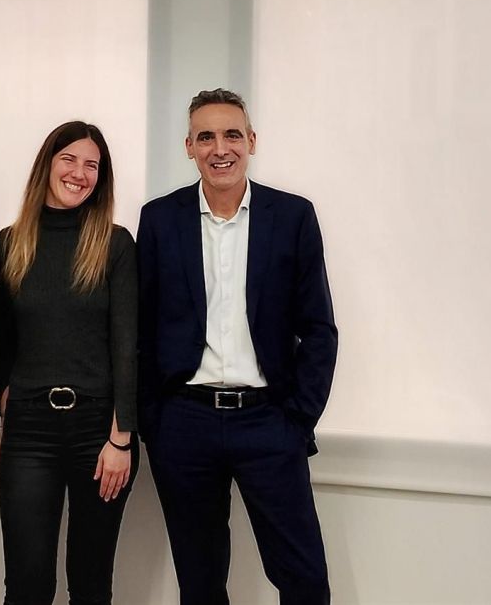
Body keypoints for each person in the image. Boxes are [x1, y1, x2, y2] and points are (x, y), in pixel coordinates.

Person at [137, 88, 337, 605]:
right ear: (189, 147)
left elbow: (319, 328)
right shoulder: (159, 219)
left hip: (269, 421)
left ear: (252, 140)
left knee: (304, 579)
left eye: (232, 135)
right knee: (200, 583)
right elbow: (141, 326)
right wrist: (155, 420)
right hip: (185, 424)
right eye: (205, 137)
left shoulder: (292, 216)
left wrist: (298, 419)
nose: (219, 148)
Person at [0, 121, 138, 605]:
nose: (79, 173)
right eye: (69, 160)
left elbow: (127, 345)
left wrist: (121, 438)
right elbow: (8, 341)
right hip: (29, 432)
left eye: (91, 165)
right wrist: (7, 415)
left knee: (90, 586)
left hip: (99, 434)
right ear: (47, 165)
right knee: (27, 586)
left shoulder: (115, 245)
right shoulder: (9, 243)